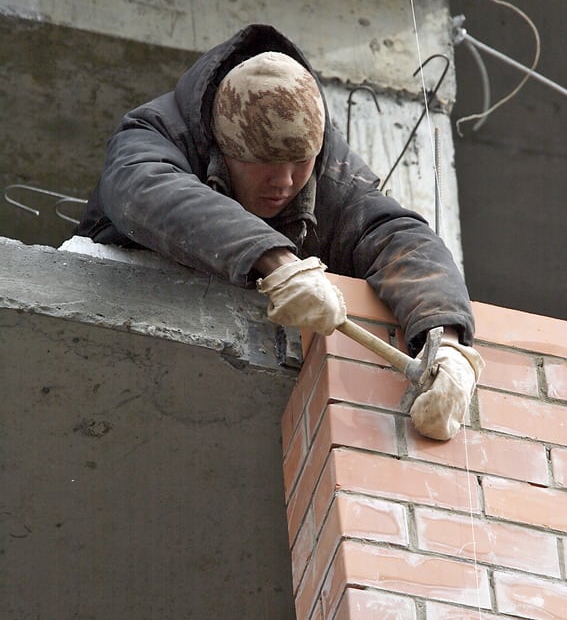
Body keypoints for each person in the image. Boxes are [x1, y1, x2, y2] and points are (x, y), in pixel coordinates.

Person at [77, 23, 483, 440]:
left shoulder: (331, 170)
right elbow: (142, 188)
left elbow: (398, 237)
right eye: (265, 165)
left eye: (300, 164)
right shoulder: (160, 131)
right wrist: (279, 262)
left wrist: (446, 339)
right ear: (224, 147)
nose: (285, 183)